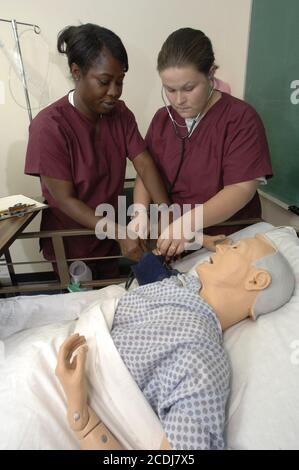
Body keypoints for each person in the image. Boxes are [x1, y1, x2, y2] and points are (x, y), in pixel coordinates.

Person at [55, 232, 295, 450]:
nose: (221, 248)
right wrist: (197, 238)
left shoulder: (201, 359)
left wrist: (82, 419)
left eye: (235, 249)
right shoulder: (184, 286)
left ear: (256, 280)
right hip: (61, 340)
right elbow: (152, 262)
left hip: (57, 395)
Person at [24, 23, 170, 279]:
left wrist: (167, 215)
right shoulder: (49, 127)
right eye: (104, 81)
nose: (114, 92)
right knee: (81, 307)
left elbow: (144, 163)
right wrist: (118, 231)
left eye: (120, 82)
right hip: (71, 243)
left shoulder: (120, 114)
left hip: (108, 238)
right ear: (77, 72)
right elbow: (65, 200)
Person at [130, 28, 273, 259]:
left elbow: (241, 188)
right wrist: (139, 212)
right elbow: (146, 171)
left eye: (188, 88)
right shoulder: (161, 119)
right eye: (170, 89)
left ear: (211, 74)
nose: (178, 100)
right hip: (176, 241)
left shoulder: (240, 118)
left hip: (228, 240)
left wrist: (187, 223)